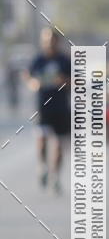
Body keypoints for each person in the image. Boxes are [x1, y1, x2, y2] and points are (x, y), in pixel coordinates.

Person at [27, 27, 71, 193]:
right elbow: (28, 76)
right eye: (45, 40)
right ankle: (43, 166)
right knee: (42, 139)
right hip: (43, 106)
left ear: (56, 41)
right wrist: (33, 83)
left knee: (59, 144)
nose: (48, 43)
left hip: (60, 107)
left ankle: (56, 176)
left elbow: (76, 81)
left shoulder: (64, 60)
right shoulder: (38, 60)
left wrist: (65, 81)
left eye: (51, 40)